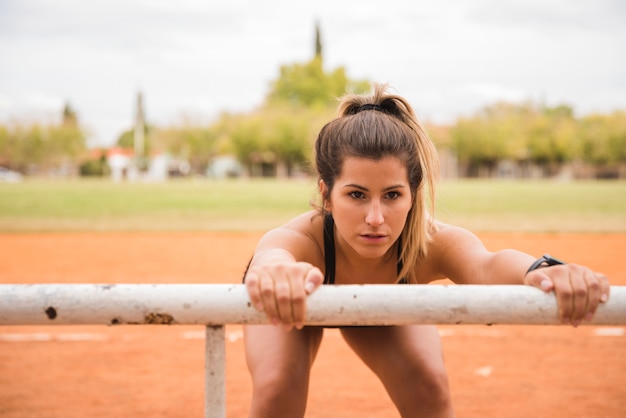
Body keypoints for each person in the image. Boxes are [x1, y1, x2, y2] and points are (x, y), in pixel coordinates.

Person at [242, 83, 610, 417]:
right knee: (278, 389)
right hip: (294, 301)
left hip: (385, 306)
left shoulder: (428, 241)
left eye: (392, 195)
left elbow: (486, 265)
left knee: (429, 387)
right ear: (326, 193)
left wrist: (541, 269)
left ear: (412, 194)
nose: (375, 218)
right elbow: (272, 252)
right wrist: (277, 269)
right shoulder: (305, 239)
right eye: (356, 195)